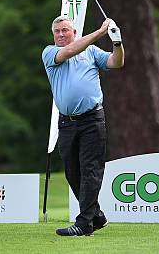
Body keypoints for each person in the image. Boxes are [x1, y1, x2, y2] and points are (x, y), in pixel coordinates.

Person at [42, 15, 124, 236]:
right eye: (57, 31)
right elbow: (69, 52)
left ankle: (84, 224)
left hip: (92, 119)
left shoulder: (92, 52)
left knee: (90, 170)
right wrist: (100, 32)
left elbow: (116, 62)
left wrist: (117, 43)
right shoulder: (50, 52)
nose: (60, 34)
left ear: (74, 32)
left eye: (65, 30)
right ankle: (96, 216)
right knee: (72, 172)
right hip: (67, 122)